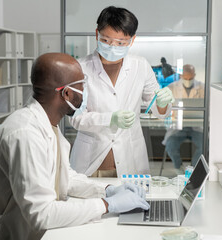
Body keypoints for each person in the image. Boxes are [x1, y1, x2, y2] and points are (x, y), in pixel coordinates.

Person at [0, 53, 149, 240]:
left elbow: (64, 177)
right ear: (67, 93)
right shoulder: (25, 133)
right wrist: (107, 205)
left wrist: (107, 190)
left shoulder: (46, 124)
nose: (85, 90)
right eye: (82, 85)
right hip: (6, 234)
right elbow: (41, 214)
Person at [69, 6, 174, 177]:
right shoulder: (79, 68)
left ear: (132, 41)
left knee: (133, 202)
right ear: (97, 34)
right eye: (106, 40)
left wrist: (163, 103)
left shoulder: (140, 66)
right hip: (91, 164)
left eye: (120, 43)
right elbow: (75, 117)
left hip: (130, 160)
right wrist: (110, 119)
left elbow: (159, 111)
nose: (112, 47)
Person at [163, 64, 205, 174]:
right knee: (170, 145)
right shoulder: (171, 87)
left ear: (194, 75)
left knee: (204, 145)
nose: (188, 80)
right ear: (181, 75)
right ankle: (179, 168)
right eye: (185, 78)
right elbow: (164, 107)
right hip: (178, 126)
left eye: (190, 78)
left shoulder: (203, 87)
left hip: (196, 126)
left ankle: (192, 170)